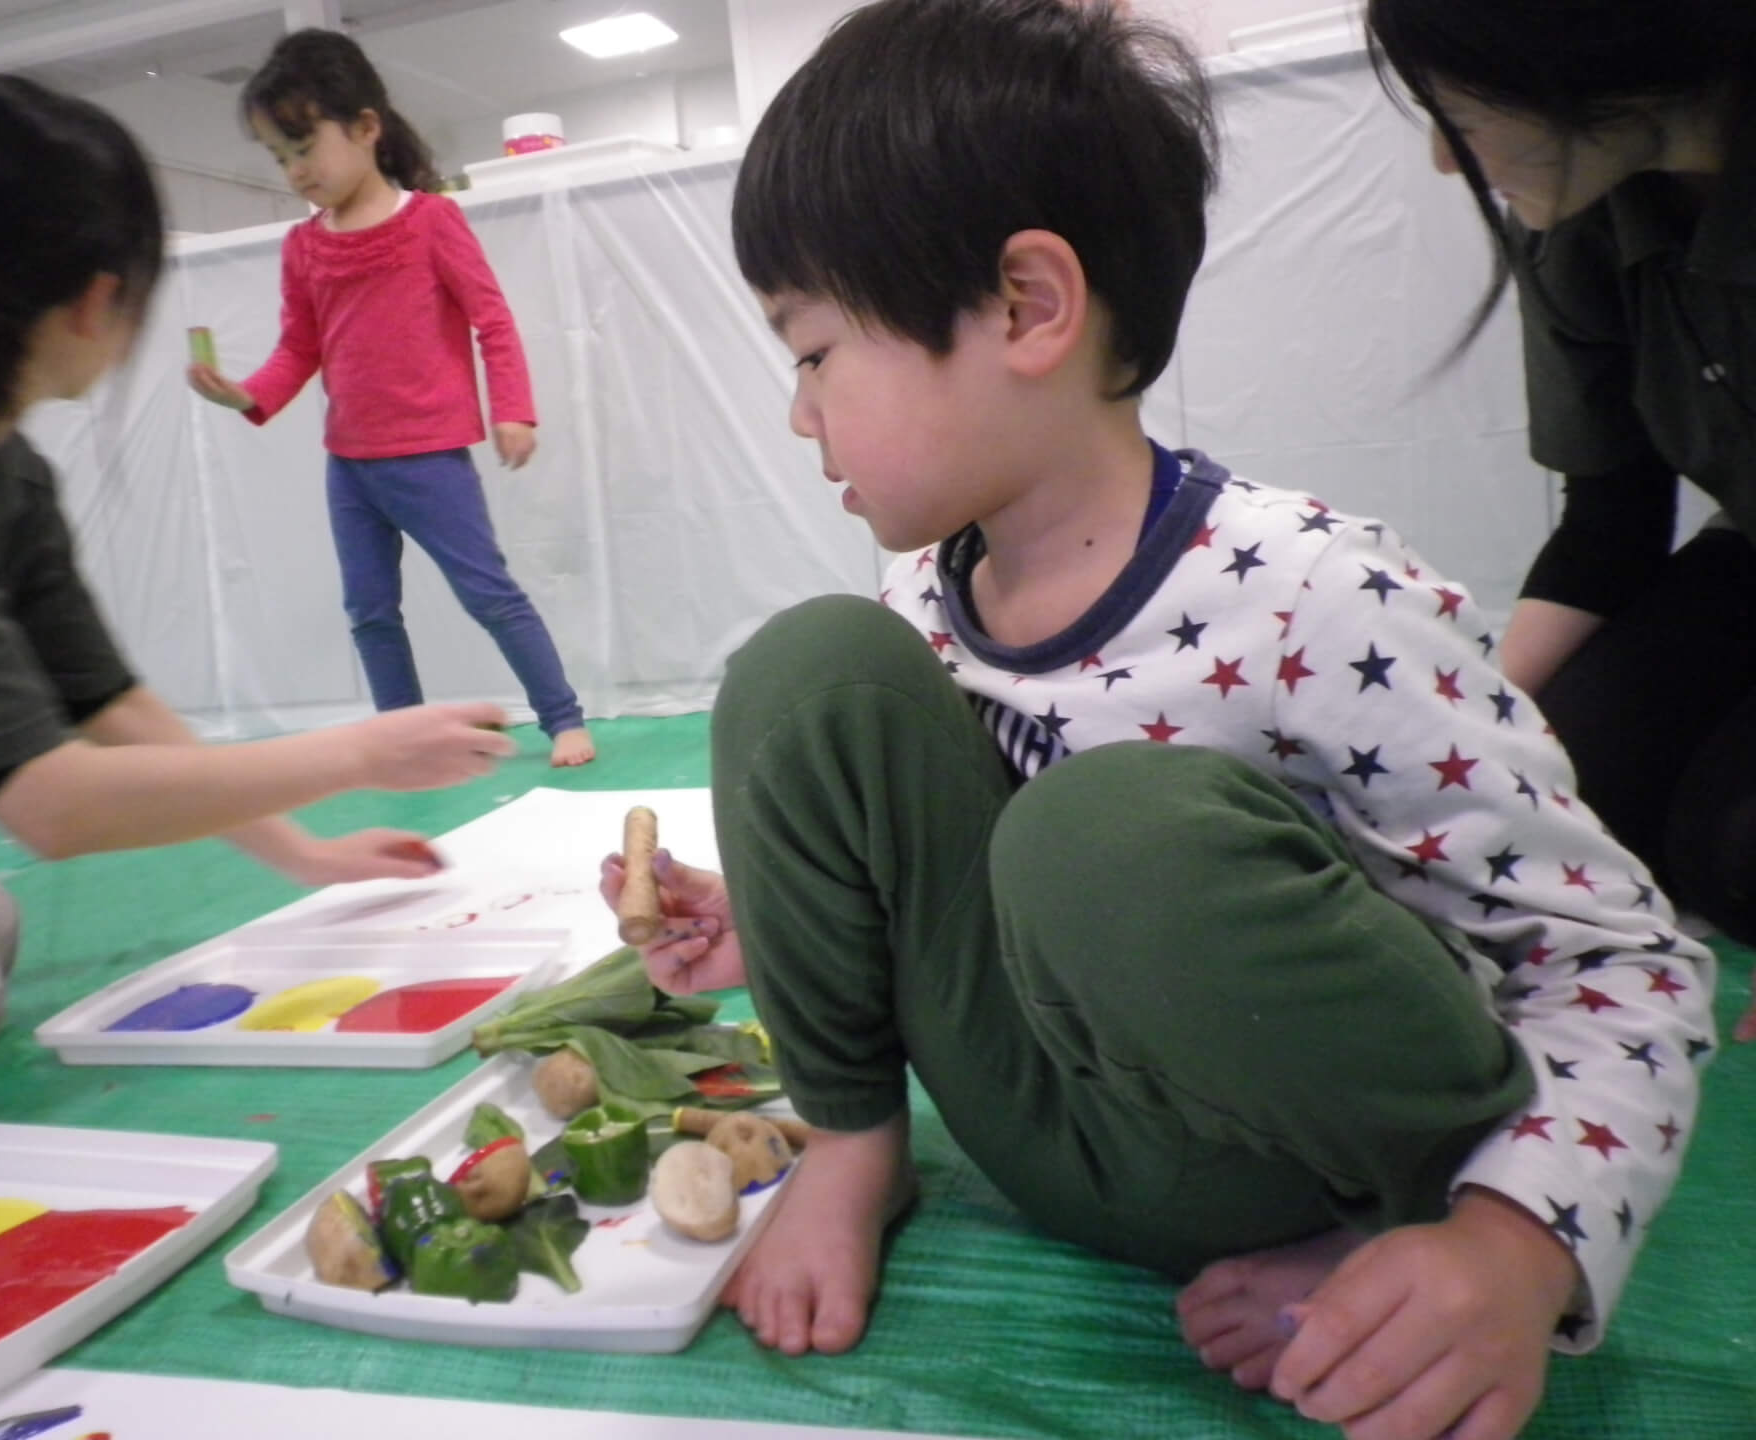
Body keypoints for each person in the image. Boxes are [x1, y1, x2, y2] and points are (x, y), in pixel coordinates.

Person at [600, 3, 1715, 1437]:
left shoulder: (1318, 596)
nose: (799, 415)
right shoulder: (918, 597)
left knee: (1100, 834)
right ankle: (854, 1154)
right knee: (801, 673)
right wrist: (789, 919)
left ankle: (1403, 1215)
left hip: (1279, 1158)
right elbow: (968, 901)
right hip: (1038, 1125)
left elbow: (1627, 960)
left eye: (814, 352)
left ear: (1024, 307)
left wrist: (1512, 1241)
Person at [0, 74, 516, 1122]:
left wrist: (302, 851)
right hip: (369, 456)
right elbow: (53, 804)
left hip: (411, 450)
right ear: (99, 297)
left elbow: (101, 699)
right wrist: (363, 752)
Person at [1365, 0, 1756, 1042]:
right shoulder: (1584, 218)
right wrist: (1465, 737)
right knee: (1566, 796)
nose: (1450, 162)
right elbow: (1612, 519)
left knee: (1737, 846)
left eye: (1457, 113)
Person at [187, 30, 594, 768]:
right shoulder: (304, 248)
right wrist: (244, 393)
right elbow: (300, 348)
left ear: (367, 128)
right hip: (349, 466)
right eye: (280, 157)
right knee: (370, 614)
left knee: (488, 594)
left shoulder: (432, 221)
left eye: (304, 146)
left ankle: (563, 717)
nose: (295, 171)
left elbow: (491, 319)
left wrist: (514, 408)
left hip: (430, 457)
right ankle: (400, 743)